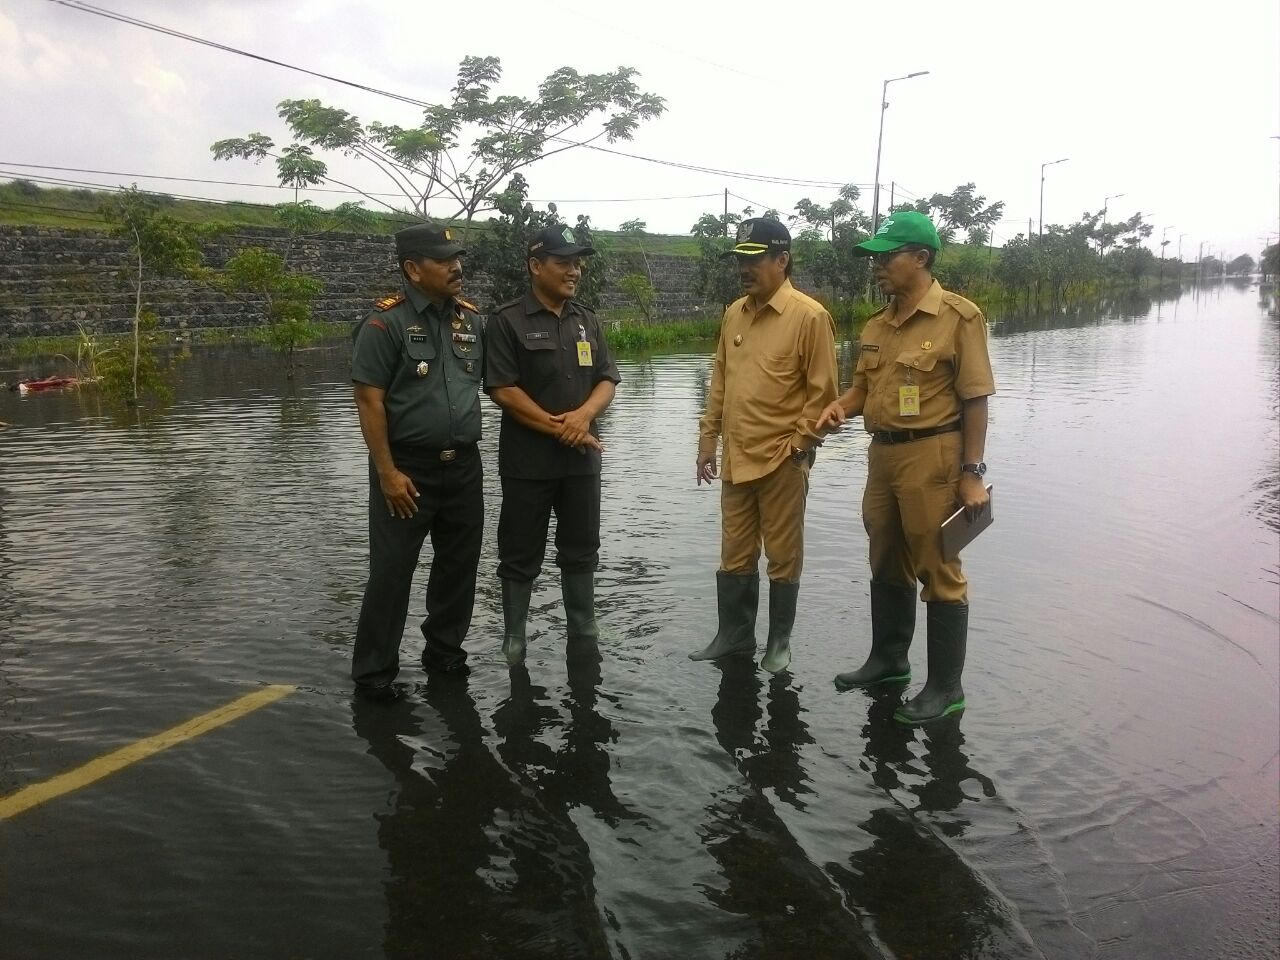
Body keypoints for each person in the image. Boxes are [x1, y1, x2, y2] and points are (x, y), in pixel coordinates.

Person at [818, 211, 995, 724]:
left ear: (920, 257)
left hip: (933, 455)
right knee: (885, 553)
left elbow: (977, 399)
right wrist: (840, 408)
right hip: (883, 455)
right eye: (874, 256)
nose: (876, 265)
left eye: (886, 255)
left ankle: (945, 688)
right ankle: (888, 661)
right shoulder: (877, 323)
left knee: (938, 566)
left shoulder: (959, 318)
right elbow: (862, 389)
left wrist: (971, 472)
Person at [691, 218, 838, 673]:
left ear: (782, 261)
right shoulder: (734, 312)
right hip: (736, 459)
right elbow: (720, 381)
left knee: (782, 555)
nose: (744, 268)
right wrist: (707, 440)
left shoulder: (809, 317)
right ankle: (733, 637)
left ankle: (778, 643)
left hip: (781, 460)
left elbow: (823, 396)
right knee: (734, 552)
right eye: (740, 259)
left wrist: (799, 446)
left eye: (753, 259)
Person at [349, 222, 485, 698]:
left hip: (464, 466)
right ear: (412, 268)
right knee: (391, 572)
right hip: (406, 469)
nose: (457, 268)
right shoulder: (383, 324)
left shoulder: (470, 320)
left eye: (457, 258)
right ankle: (374, 674)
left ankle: (444, 652)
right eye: (444, 261)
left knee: (459, 565)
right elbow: (369, 401)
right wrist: (387, 473)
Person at [484, 223, 621, 665]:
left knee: (582, 548)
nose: (574, 271)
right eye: (564, 263)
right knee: (520, 551)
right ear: (535, 266)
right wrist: (557, 425)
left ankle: (583, 626)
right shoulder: (506, 321)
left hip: (581, 460)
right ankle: (514, 637)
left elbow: (606, 379)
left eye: (577, 263)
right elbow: (502, 388)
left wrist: (583, 417)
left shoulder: (587, 320)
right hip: (528, 463)